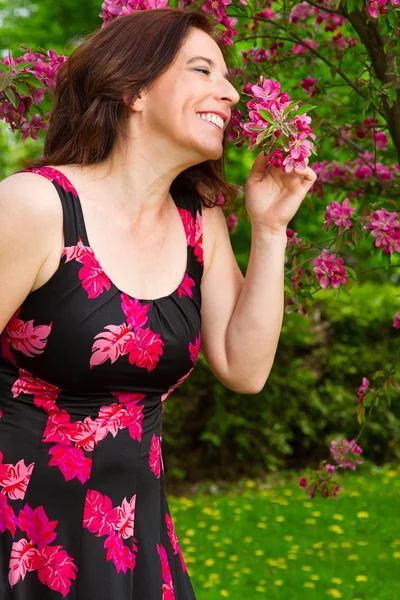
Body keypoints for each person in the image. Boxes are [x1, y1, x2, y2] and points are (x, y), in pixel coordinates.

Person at [0, 7, 316, 600]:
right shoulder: (36, 206)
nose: (230, 93)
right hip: (16, 540)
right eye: (204, 70)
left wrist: (269, 229)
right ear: (134, 89)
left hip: (133, 547)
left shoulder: (202, 226)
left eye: (229, 78)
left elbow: (245, 370)